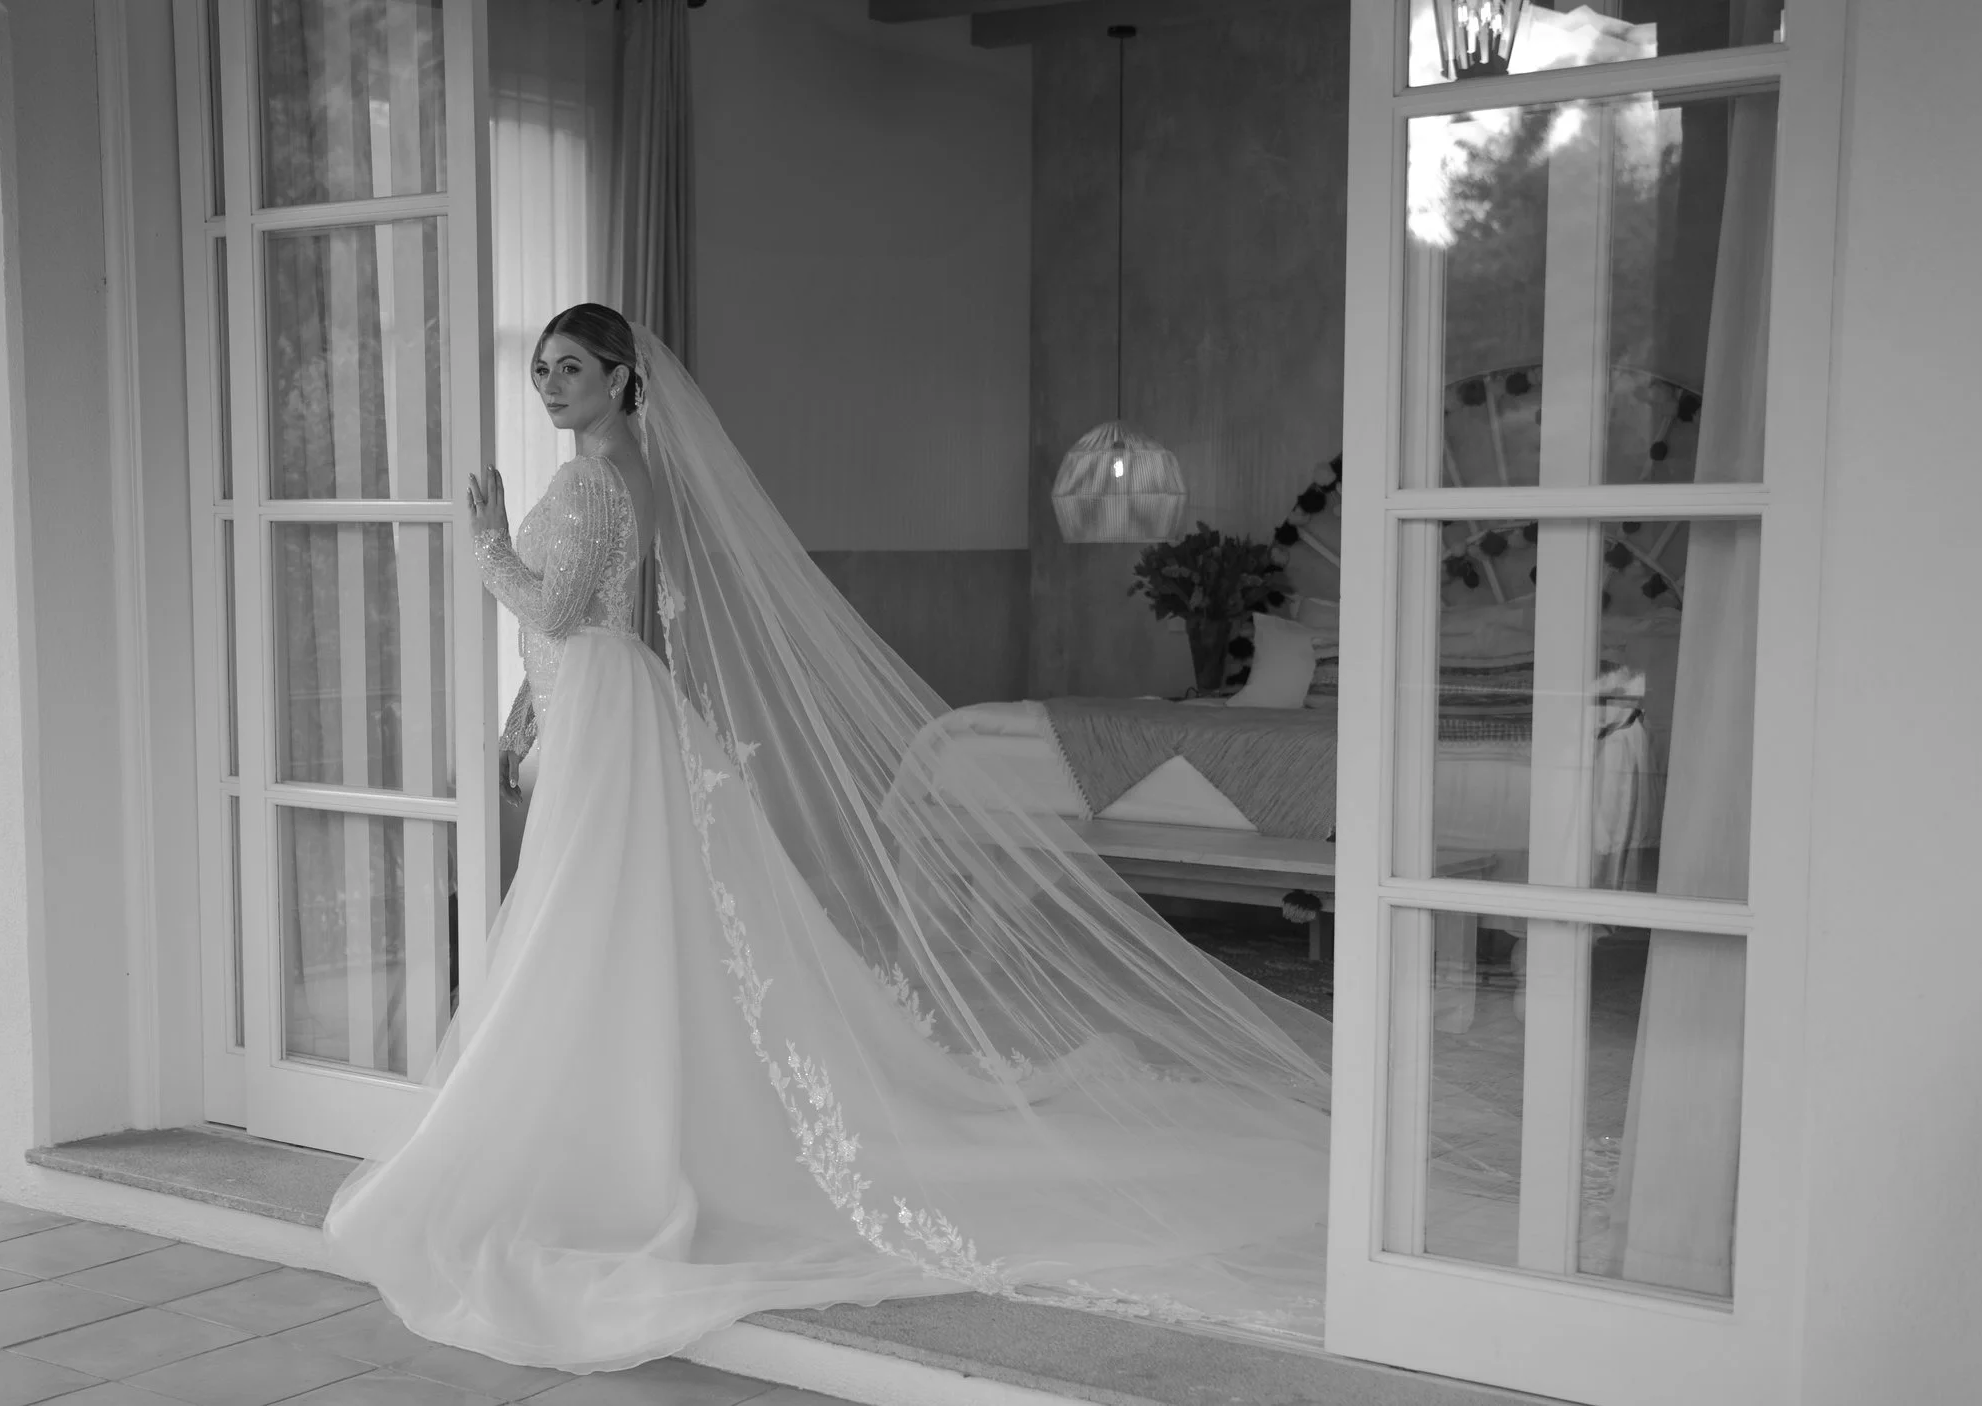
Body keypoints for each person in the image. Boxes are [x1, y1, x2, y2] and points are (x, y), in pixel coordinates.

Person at [322, 304, 1333, 1374]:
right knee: (613, 930)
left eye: (569, 367)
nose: (548, 384)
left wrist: (482, 540)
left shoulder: (587, 478)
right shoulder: (635, 472)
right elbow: (595, 618)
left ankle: (610, 1143)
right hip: (607, 707)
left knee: (588, 930)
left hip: (607, 715)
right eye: (540, 368)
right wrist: (536, 698)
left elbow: (557, 601)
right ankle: (634, 1127)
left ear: (622, 377)